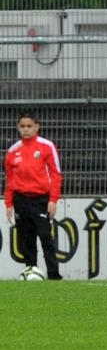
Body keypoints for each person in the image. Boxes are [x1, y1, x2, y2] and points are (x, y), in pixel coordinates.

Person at [4, 112, 63, 280]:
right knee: (26, 237)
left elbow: (56, 174)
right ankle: (31, 271)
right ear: (18, 128)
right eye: (22, 126)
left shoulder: (46, 146)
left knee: (45, 235)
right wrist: (9, 203)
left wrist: (53, 199)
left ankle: (53, 274)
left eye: (29, 126)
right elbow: (9, 180)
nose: (26, 130)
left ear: (37, 127)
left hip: (41, 199)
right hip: (20, 199)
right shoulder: (12, 151)